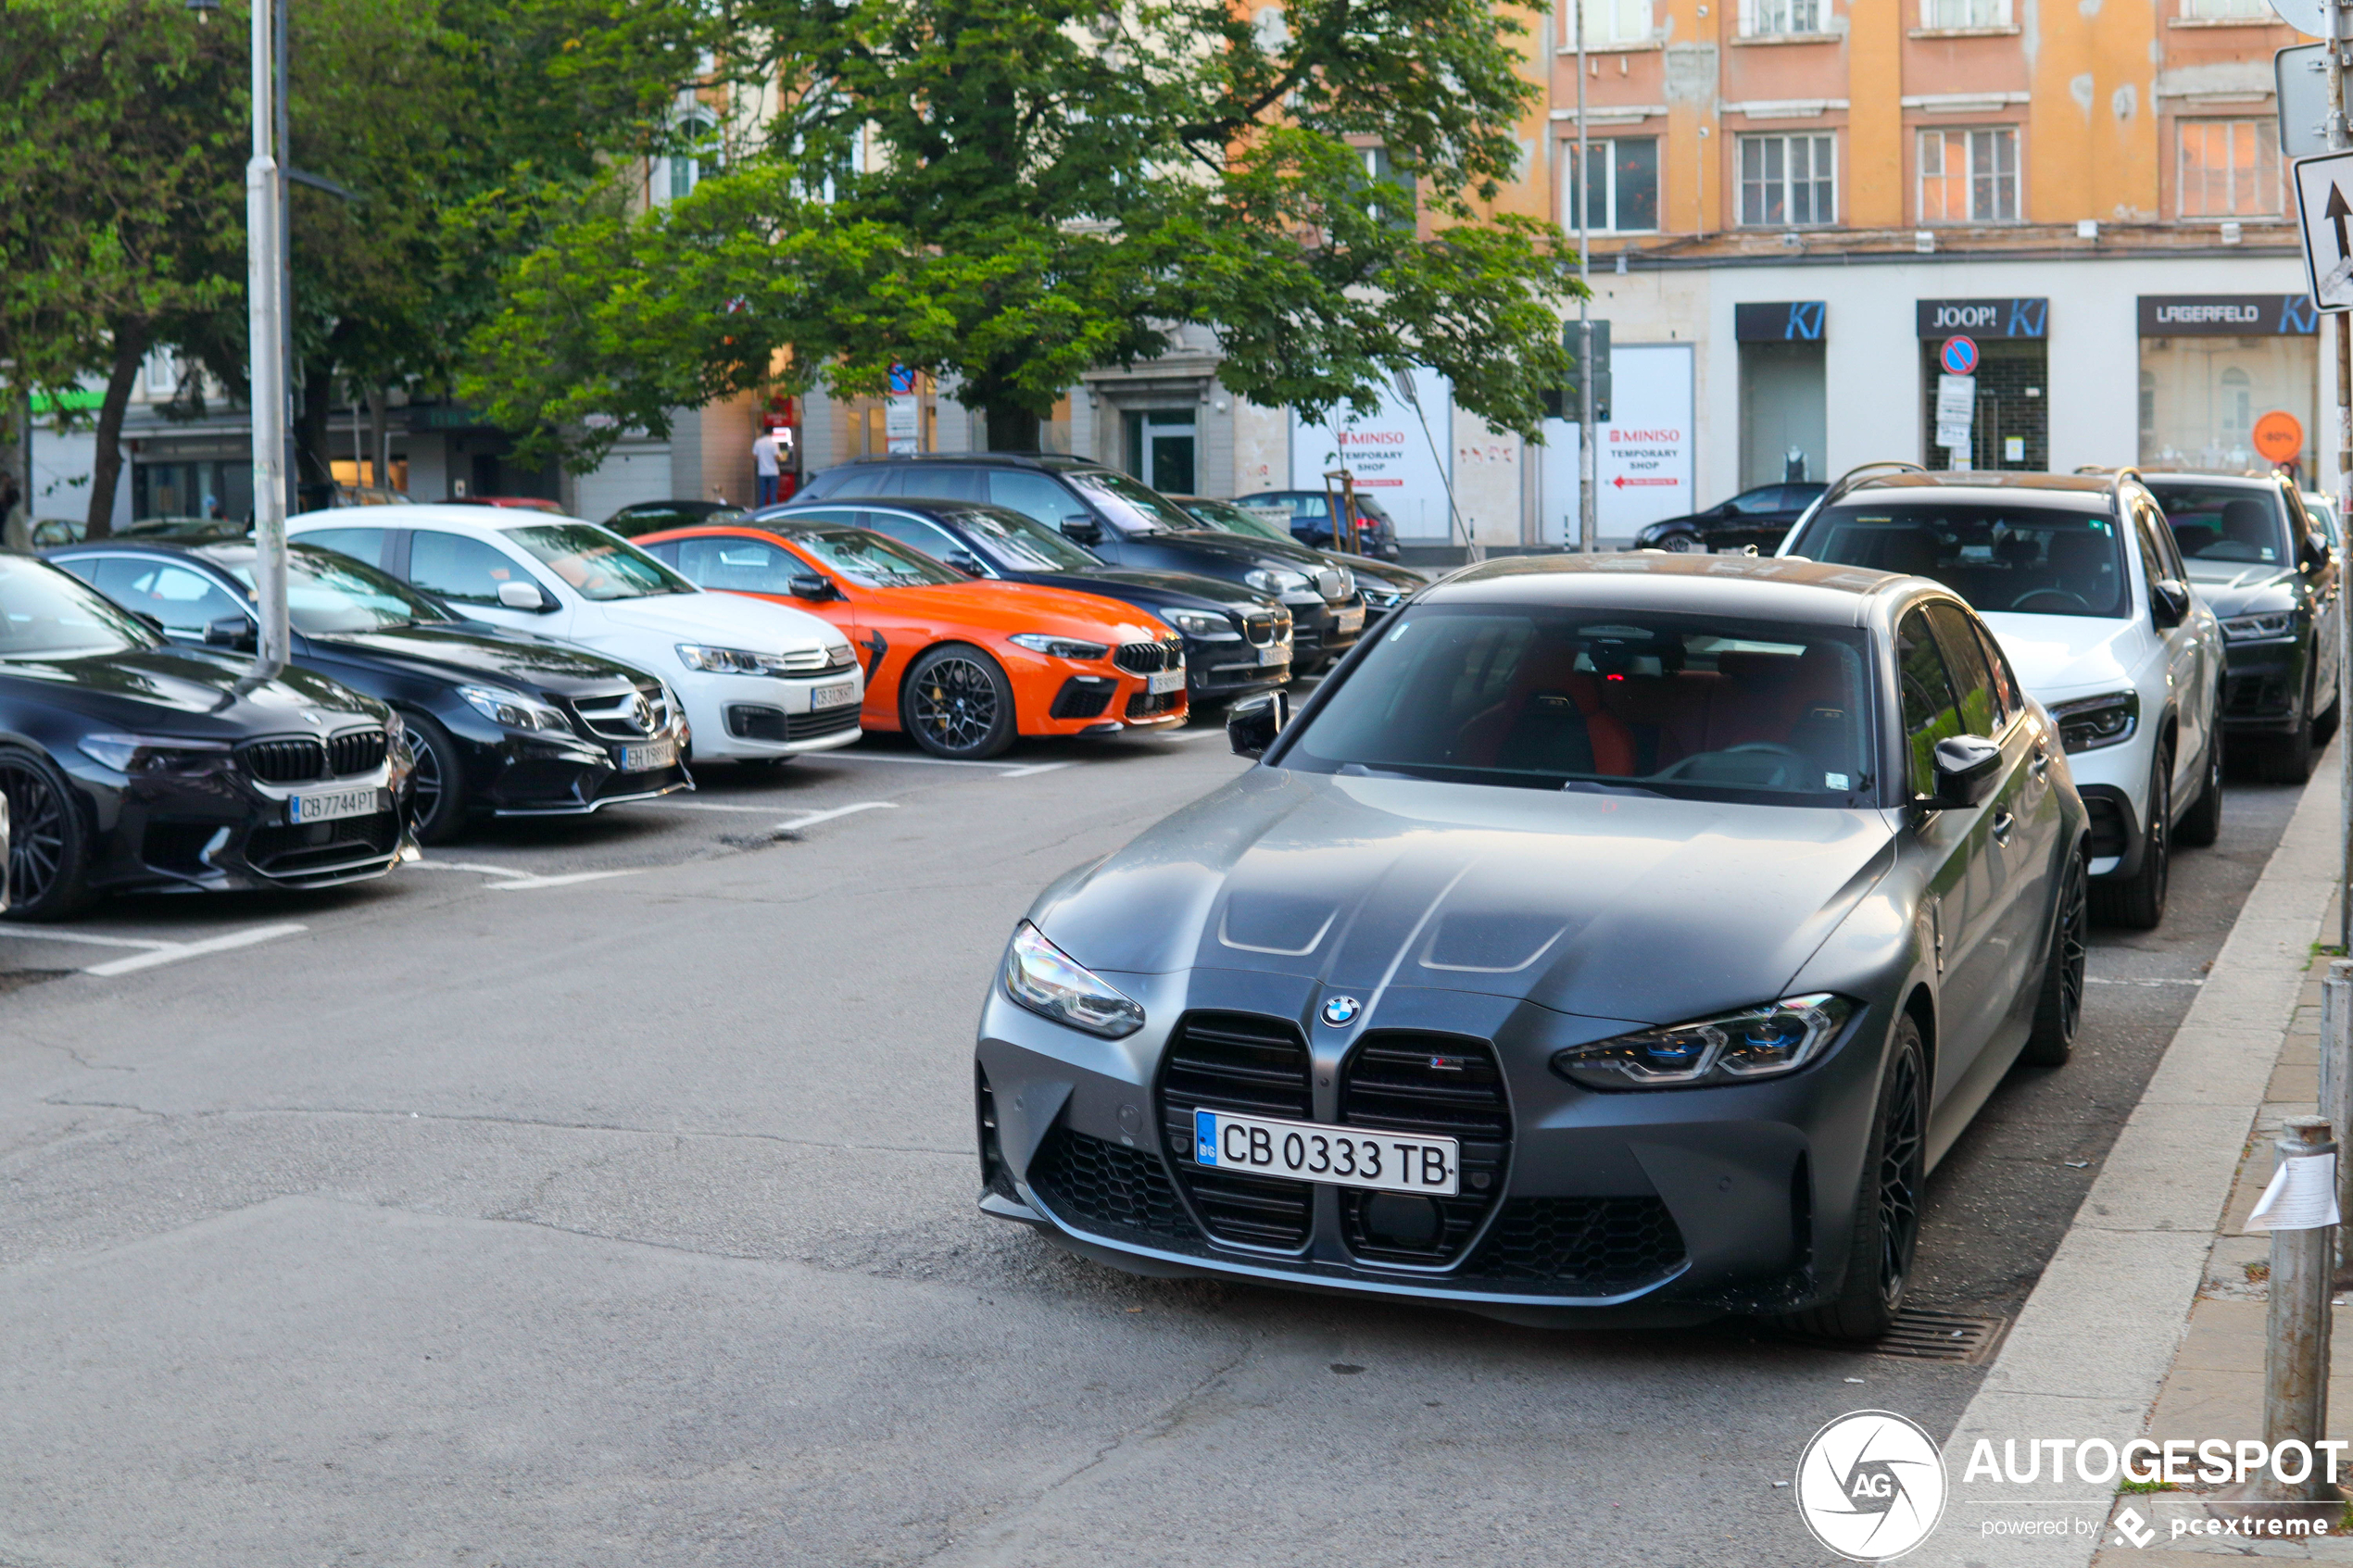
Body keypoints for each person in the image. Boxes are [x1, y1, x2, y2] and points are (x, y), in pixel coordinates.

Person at [752, 426, 782, 508]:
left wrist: (762, 460)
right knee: (773, 495)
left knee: (762, 495)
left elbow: (754, 458)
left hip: (762, 473)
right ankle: (773, 514)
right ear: (772, 432)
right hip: (773, 472)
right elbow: (777, 458)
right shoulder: (774, 443)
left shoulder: (758, 442)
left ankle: (761, 513)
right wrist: (781, 457)